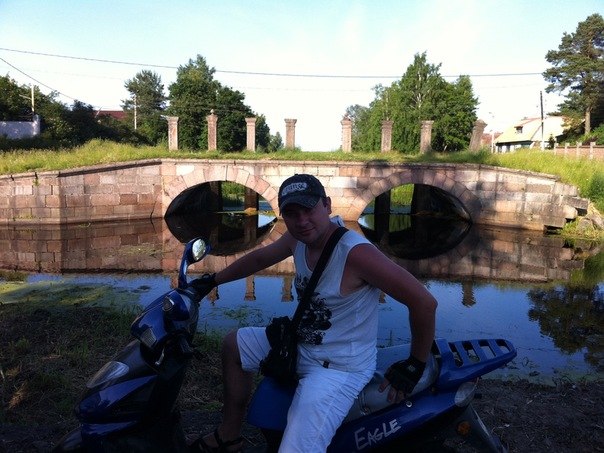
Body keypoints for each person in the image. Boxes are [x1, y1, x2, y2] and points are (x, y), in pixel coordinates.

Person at [190, 174, 437, 452]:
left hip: (339, 367)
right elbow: (260, 258)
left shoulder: (355, 253)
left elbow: (423, 302)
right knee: (233, 345)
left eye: (309, 209)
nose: (302, 220)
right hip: (303, 346)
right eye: (292, 213)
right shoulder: (297, 240)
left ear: (327, 205)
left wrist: (415, 363)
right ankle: (229, 435)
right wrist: (212, 281)